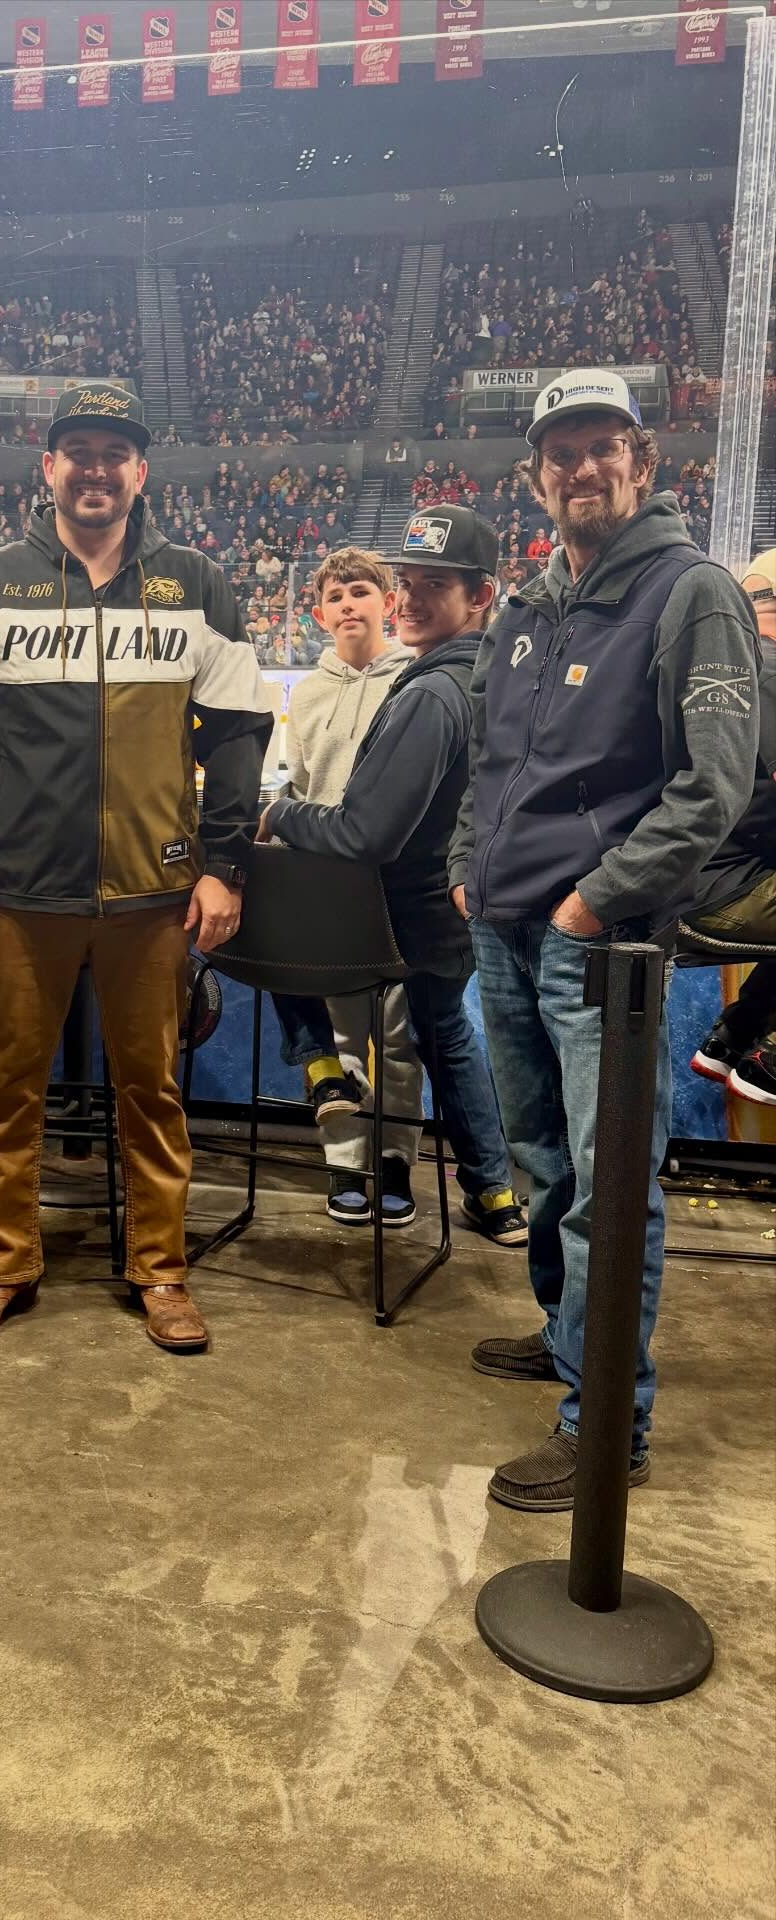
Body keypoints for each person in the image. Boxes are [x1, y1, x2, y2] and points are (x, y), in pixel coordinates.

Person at [0, 382, 271, 1351]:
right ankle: (0, 1267)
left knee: (152, 1093)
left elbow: (237, 739)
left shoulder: (196, 586)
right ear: (49, 467)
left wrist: (223, 865)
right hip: (21, 889)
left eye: (115, 452)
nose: (96, 468)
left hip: (155, 889)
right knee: (7, 1088)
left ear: (139, 472)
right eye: (79, 450)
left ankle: (160, 1271)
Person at [449, 370, 760, 1512]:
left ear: (642, 459)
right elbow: (491, 757)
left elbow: (712, 789)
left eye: (604, 446)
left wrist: (593, 900)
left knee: (608, 1187)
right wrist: (465, 871)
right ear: (538, 475)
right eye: (560, 452)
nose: (582, 468)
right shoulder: (530, 605)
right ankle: (567, 1334)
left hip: (598, 945)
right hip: (508, 932)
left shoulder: (692, 594)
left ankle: (603, 1425)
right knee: (541, 1161)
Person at [258, 529, 523, 1245]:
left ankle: (398, 1164)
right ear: (316, 613)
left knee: (402, 1041)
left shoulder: (423, 685)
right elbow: (304, 780)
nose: (351, 605)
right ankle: (348, 1163)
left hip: (392, 885)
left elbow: (373, 820)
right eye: (333, 596)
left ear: (384, 607)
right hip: (332, 879)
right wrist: (288, 814)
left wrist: (288, 816)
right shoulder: (310, 692)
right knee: (351, 1034)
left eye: (365, 591)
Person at [686, 546, 776, 1104]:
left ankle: (731, 1039)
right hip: (721, 889)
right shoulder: (768, 672)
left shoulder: (735, 663)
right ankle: (765, 1063)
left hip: (699, 876)